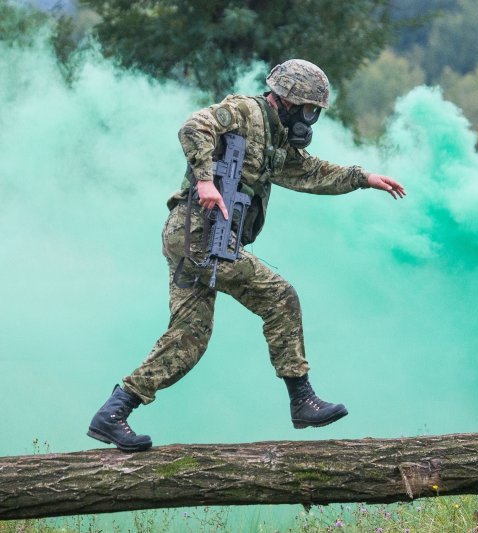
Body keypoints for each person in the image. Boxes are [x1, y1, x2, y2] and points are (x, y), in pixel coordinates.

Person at [87, 59, 405, 452]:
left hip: (198, 239)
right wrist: (204, 181)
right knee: (279, 296)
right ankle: (301, 399)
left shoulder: (275, 140)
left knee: (188, 340)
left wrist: (362, 178)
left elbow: (308, 172)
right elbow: (194, 126)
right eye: (309, 110)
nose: (311, 120)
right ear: (287, 101)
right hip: (198, 234)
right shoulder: (244, 111)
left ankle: (113, 412)